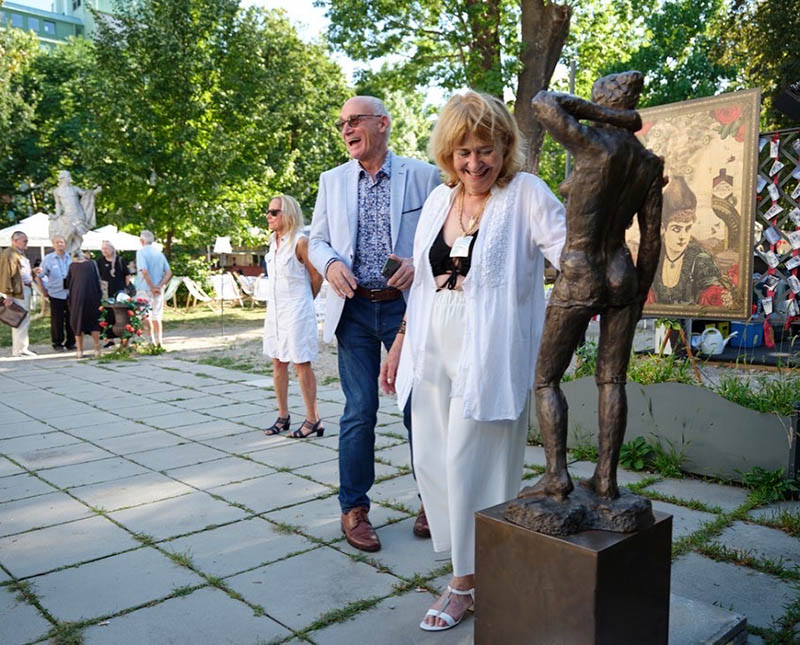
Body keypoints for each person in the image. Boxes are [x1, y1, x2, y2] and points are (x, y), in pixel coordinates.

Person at [380, 91, 566, 631]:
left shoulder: (526, 193)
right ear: (447, 155)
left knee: (470, 463)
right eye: (462, 152)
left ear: (505, 147)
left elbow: (568, 255)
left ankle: (466, 580)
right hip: (431, 343)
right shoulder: (441, 201)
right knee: (433, 463)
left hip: (488, 350)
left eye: (485, 150)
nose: (474, 163)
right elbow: (420, 284)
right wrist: (400, 345)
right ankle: (482, 563)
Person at [309, 95, 440, 552]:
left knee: (416, 409)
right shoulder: (332, 180)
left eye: (354, 121)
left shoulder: (423, 176)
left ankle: (432, 501)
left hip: (407, 309)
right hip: (355, 308)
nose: (346, 129)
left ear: (382, 124)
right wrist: (328, 266)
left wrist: (418, 263)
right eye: (341, 122)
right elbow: (317, 239)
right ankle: (354, 508)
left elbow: (447, 235)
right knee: (359, 410)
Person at [262, 195, 324, 438]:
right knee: (278, 362)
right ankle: (283, 415)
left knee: (301, 363)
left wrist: (306, 301)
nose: (269, 216)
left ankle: (313, 418)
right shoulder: (272, 242)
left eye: (274, 212)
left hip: (297, 310)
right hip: (275, 310)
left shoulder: (300, 242)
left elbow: (316, 275)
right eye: (268, 211)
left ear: (288, 214)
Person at [647, 175, 732, 307]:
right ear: (663, 227)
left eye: (687, 228)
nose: (683, 236)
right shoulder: (653, 254)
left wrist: (716, 295)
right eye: (676, 229)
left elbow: (710, 289)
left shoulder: (699, 258)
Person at [0, 231, 37, 357]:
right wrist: (8, 294)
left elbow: (21, 272)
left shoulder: (18, 254)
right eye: (24, 241)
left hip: (24, 288)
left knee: (24, 318)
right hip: (17, 291)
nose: (26, 243)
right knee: (19, 318)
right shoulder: (9, 254)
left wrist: (33, 272)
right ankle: (19, 349)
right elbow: (6, 274)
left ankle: (22, 347)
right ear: (15, 241)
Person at [37, 235, 76, 352]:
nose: (60, 244)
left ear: (66, 244)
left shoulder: (71, 257)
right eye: (57, 242)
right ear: (53, 245)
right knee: (57, 320)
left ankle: (71, 342)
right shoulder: (48, 259)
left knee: (71, 319)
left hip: (71, 294)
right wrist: (43, 290)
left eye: (62, 242)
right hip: (55, 293)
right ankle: (57, 343)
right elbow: (39, 275)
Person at [135, 230, 172, 346]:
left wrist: (151, 286)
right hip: (158, 290)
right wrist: (159, 286)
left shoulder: (141, 252)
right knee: (157, 315)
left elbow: (144, 271)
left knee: (145, 315)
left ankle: (151, 341)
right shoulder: (159, 254)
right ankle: (159, 340)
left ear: (142, 241)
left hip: (144, 288)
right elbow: (168, 272)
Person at [65, 251, 103, 358]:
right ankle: (96, 349)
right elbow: (98, 279)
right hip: (93, 296)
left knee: (78, 323)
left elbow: (68, 282)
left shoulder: (72, 266)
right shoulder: (92, 264)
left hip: (77, 297)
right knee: (94, 322)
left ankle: (79, 350)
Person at [96, 240, 131, 348]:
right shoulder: (100, 262)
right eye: (102, 249)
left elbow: (127, 275)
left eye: (106, 248)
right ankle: (109, 339)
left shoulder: (120, 260)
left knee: (120, 315)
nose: (104, 251)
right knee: (107, 315)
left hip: (119, 292)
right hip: (106, 292)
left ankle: (123, 338)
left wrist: (125, 288)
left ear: (112, 249)